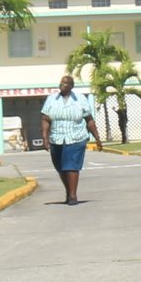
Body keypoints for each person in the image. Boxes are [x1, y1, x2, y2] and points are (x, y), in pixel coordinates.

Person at [38, 74, 101, 205]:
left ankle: (73, 195)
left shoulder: (80, 99)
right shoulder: (51, 99)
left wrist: (97, 138)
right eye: (62, 82)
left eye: (66, 83)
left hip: (76, 137)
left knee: (71, 166)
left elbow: (89, 120)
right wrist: (45, 137)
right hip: (56, 138)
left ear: (72, 86)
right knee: (60, 167)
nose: (63, 85)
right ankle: (68, 192)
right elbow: (45, 119)